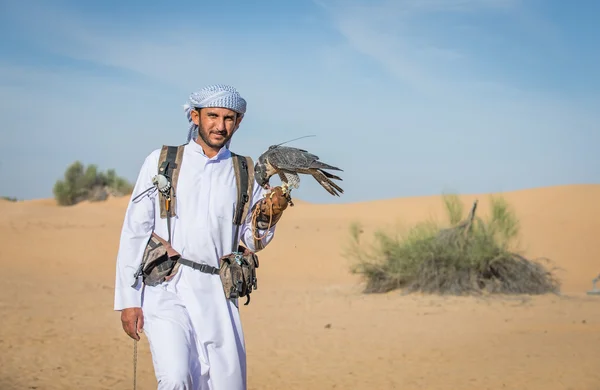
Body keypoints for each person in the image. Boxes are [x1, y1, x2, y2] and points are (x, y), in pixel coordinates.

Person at [113, 84, 289, 389]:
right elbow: (135, 230)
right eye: (212, 116)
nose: (220, 126)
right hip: (168, 288)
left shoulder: (246, 170)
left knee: (226, 384)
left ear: (239, 121)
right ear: (195, 116)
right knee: (175, 377)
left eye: (229, 118)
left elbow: (253, 239)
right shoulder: (163, 161)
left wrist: (271, 213)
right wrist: (129, 300)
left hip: (220, 293)